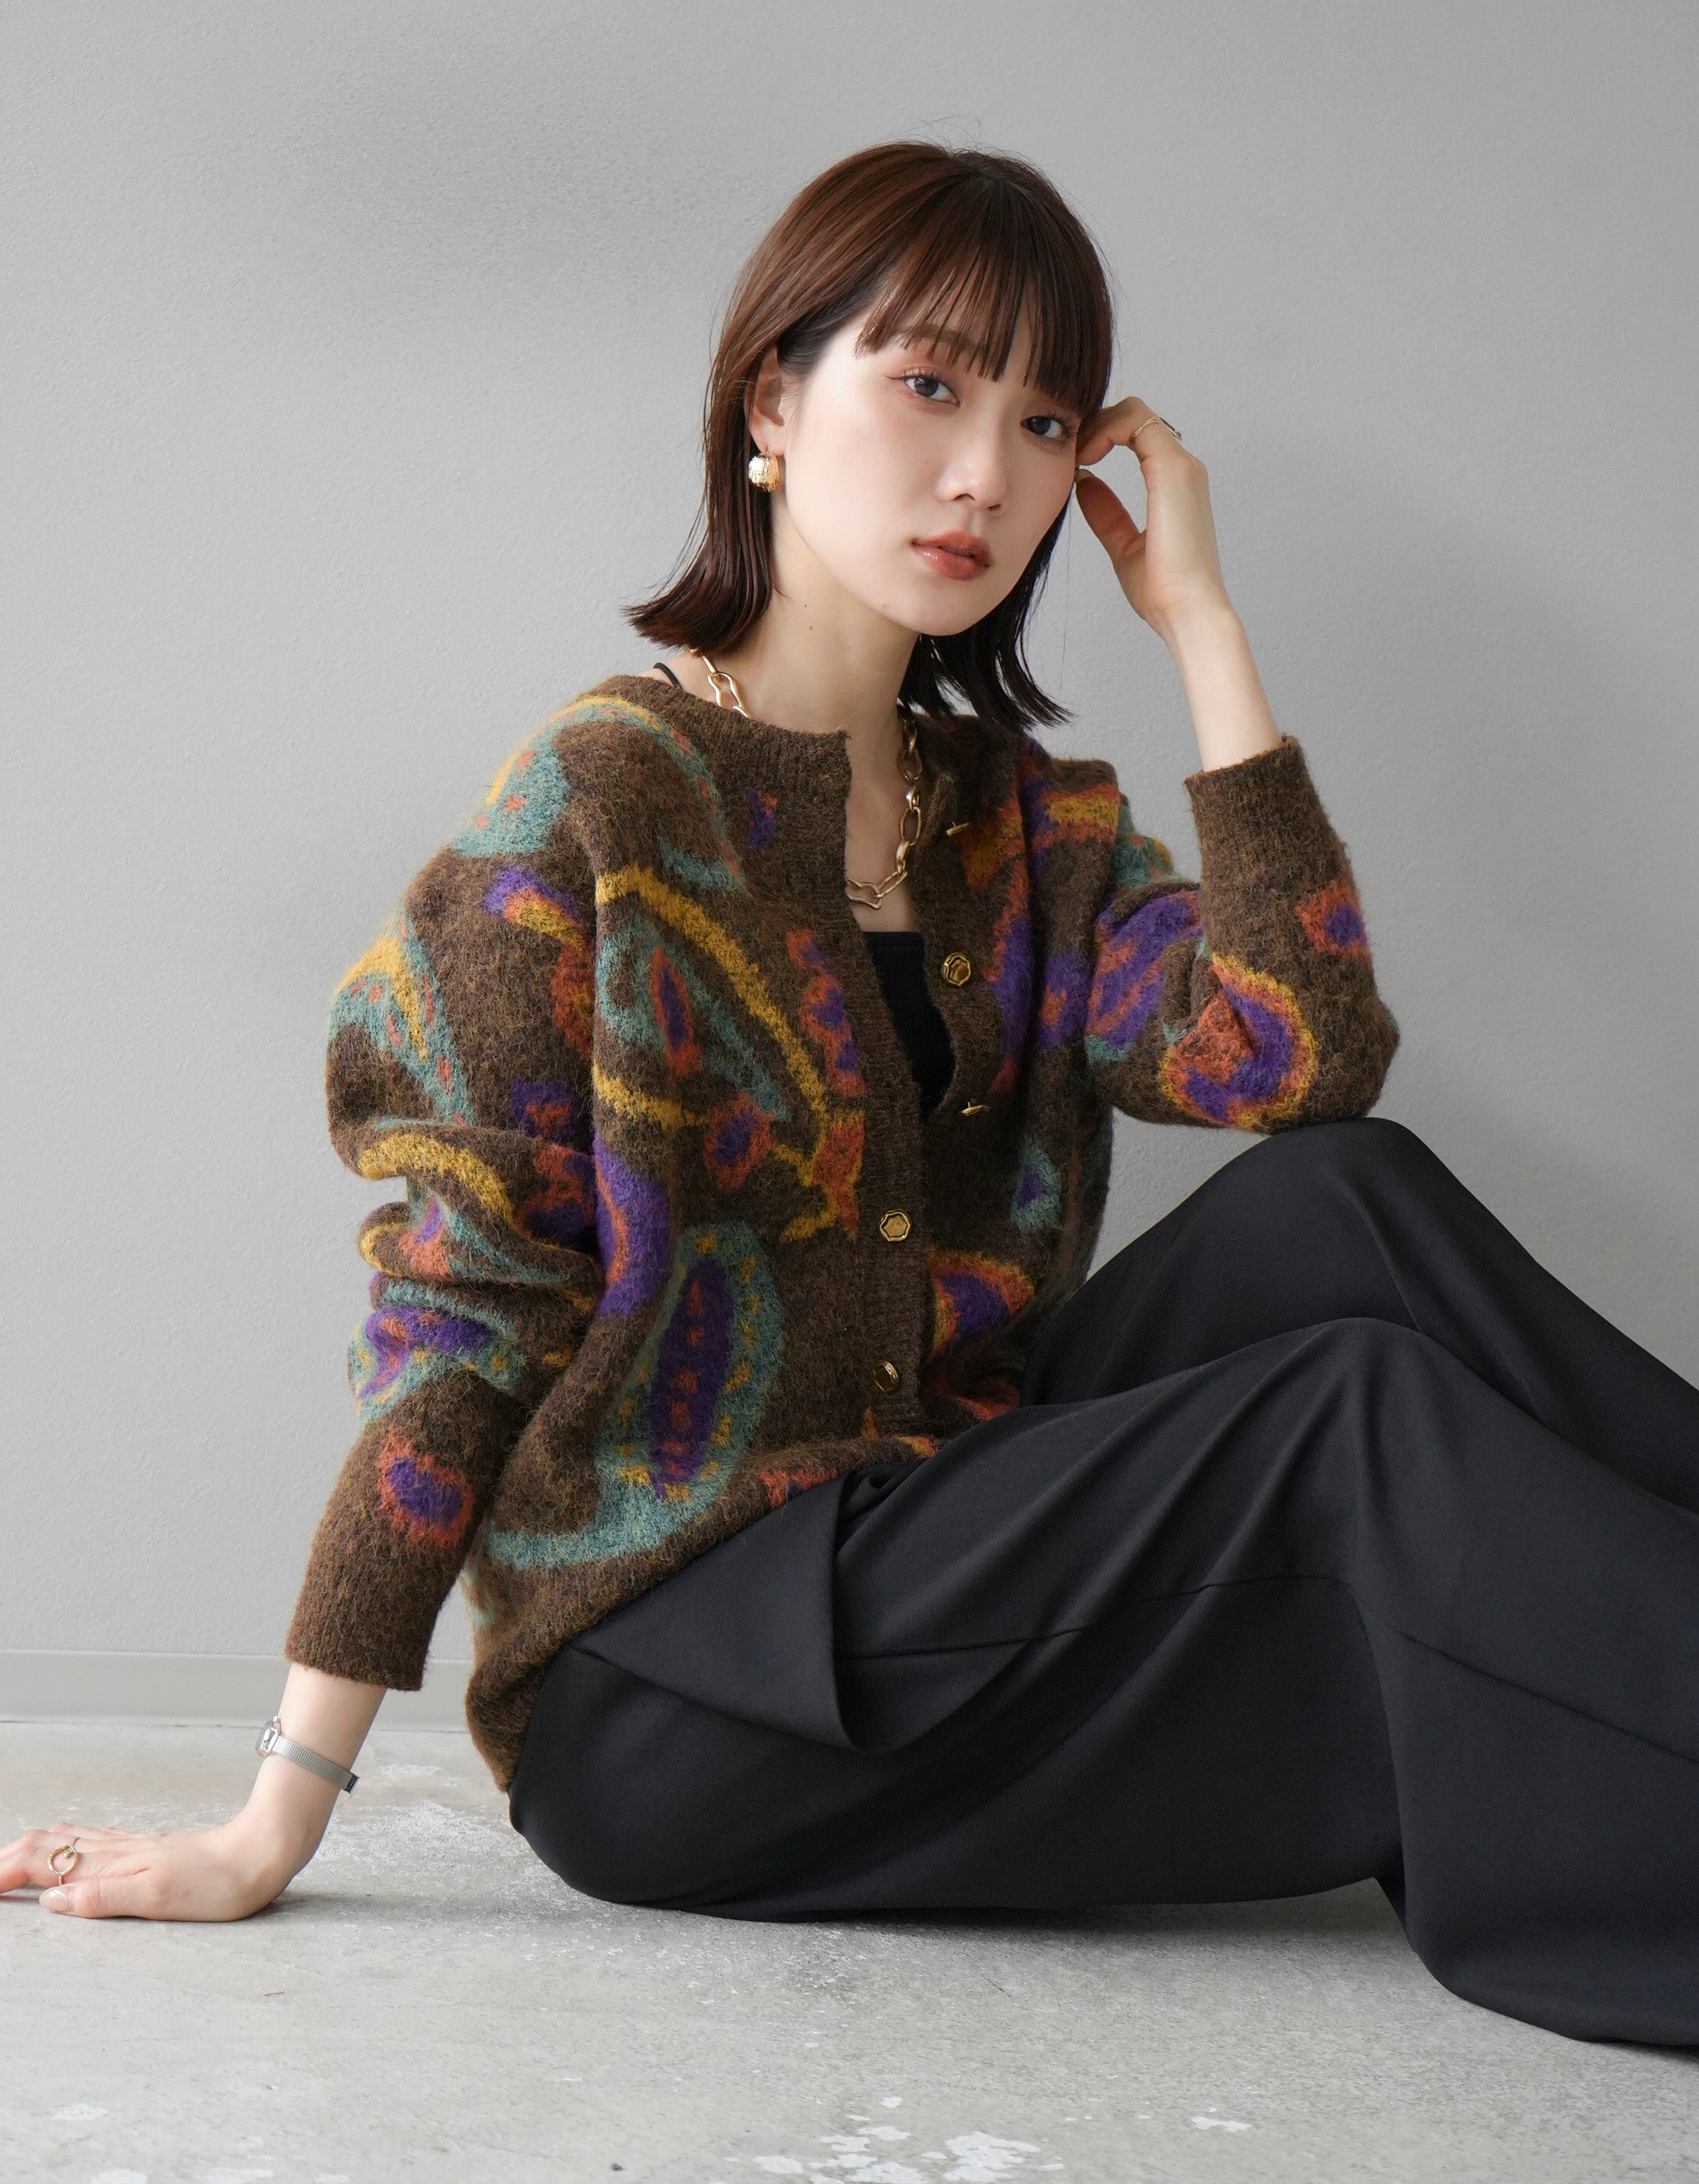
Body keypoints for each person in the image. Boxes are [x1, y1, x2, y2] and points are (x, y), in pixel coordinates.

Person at [8, 142, 1695, 2049]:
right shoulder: (597, 807)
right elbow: (464, 1324)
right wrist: (273, 1817)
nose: (987, 473)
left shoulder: (1023, 825)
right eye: (929, 386)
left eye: (1043, 419)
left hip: (940, 1538)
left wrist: (1205, 633)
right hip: (682, 1675)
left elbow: (1300, 1059)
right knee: (1354, 1414)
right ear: (770, 404)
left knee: (1346, 1199)